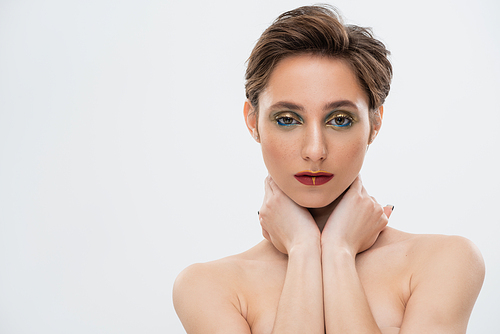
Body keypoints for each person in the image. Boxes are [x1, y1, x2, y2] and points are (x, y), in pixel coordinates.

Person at [173, 5, 484, 333]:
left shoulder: (444, 261)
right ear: (253, 122)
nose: (314, 151)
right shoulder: (207, 287)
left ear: (375, 123)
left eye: (339, 120)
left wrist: (338, 251)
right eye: (287, 119)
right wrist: (304, 249)